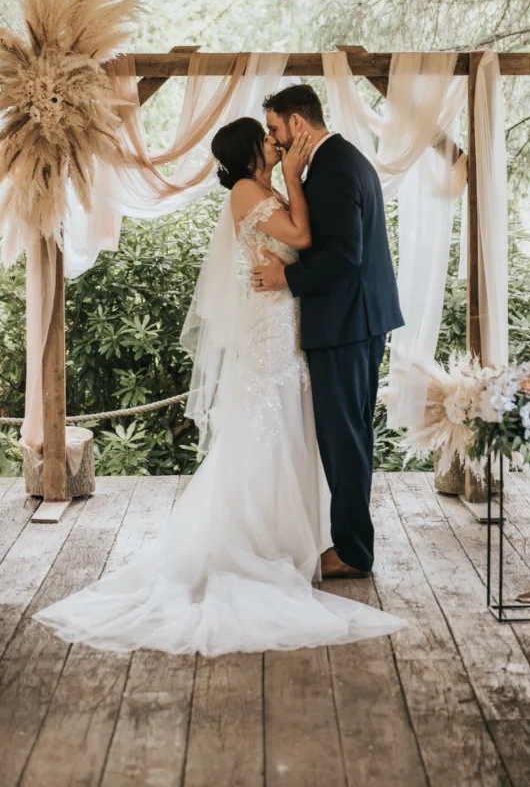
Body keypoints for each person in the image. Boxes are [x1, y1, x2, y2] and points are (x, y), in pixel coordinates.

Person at [33, 116, 405, 655]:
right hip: (272, 323)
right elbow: (300, 236)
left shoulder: (263, 186)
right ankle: (258, 540)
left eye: (277, 132)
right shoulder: (251, 190)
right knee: (269, 423)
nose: (276, 142)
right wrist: (297, 179)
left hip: (284, 317)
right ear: (253, 150)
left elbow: (299, 242)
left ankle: (294, 536)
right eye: (268, 136)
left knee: (288, 422)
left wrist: (293, 183)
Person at [253, 85, 404, 578]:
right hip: (355, 319)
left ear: (298, 124)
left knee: (344, 438)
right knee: (349, 435)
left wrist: (286, 278)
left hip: (346, 323)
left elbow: (344, 253)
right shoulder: (338, 159)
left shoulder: (335, 167)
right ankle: (352, 543)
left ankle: (353, 551)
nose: (273, 142)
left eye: (275, 129)